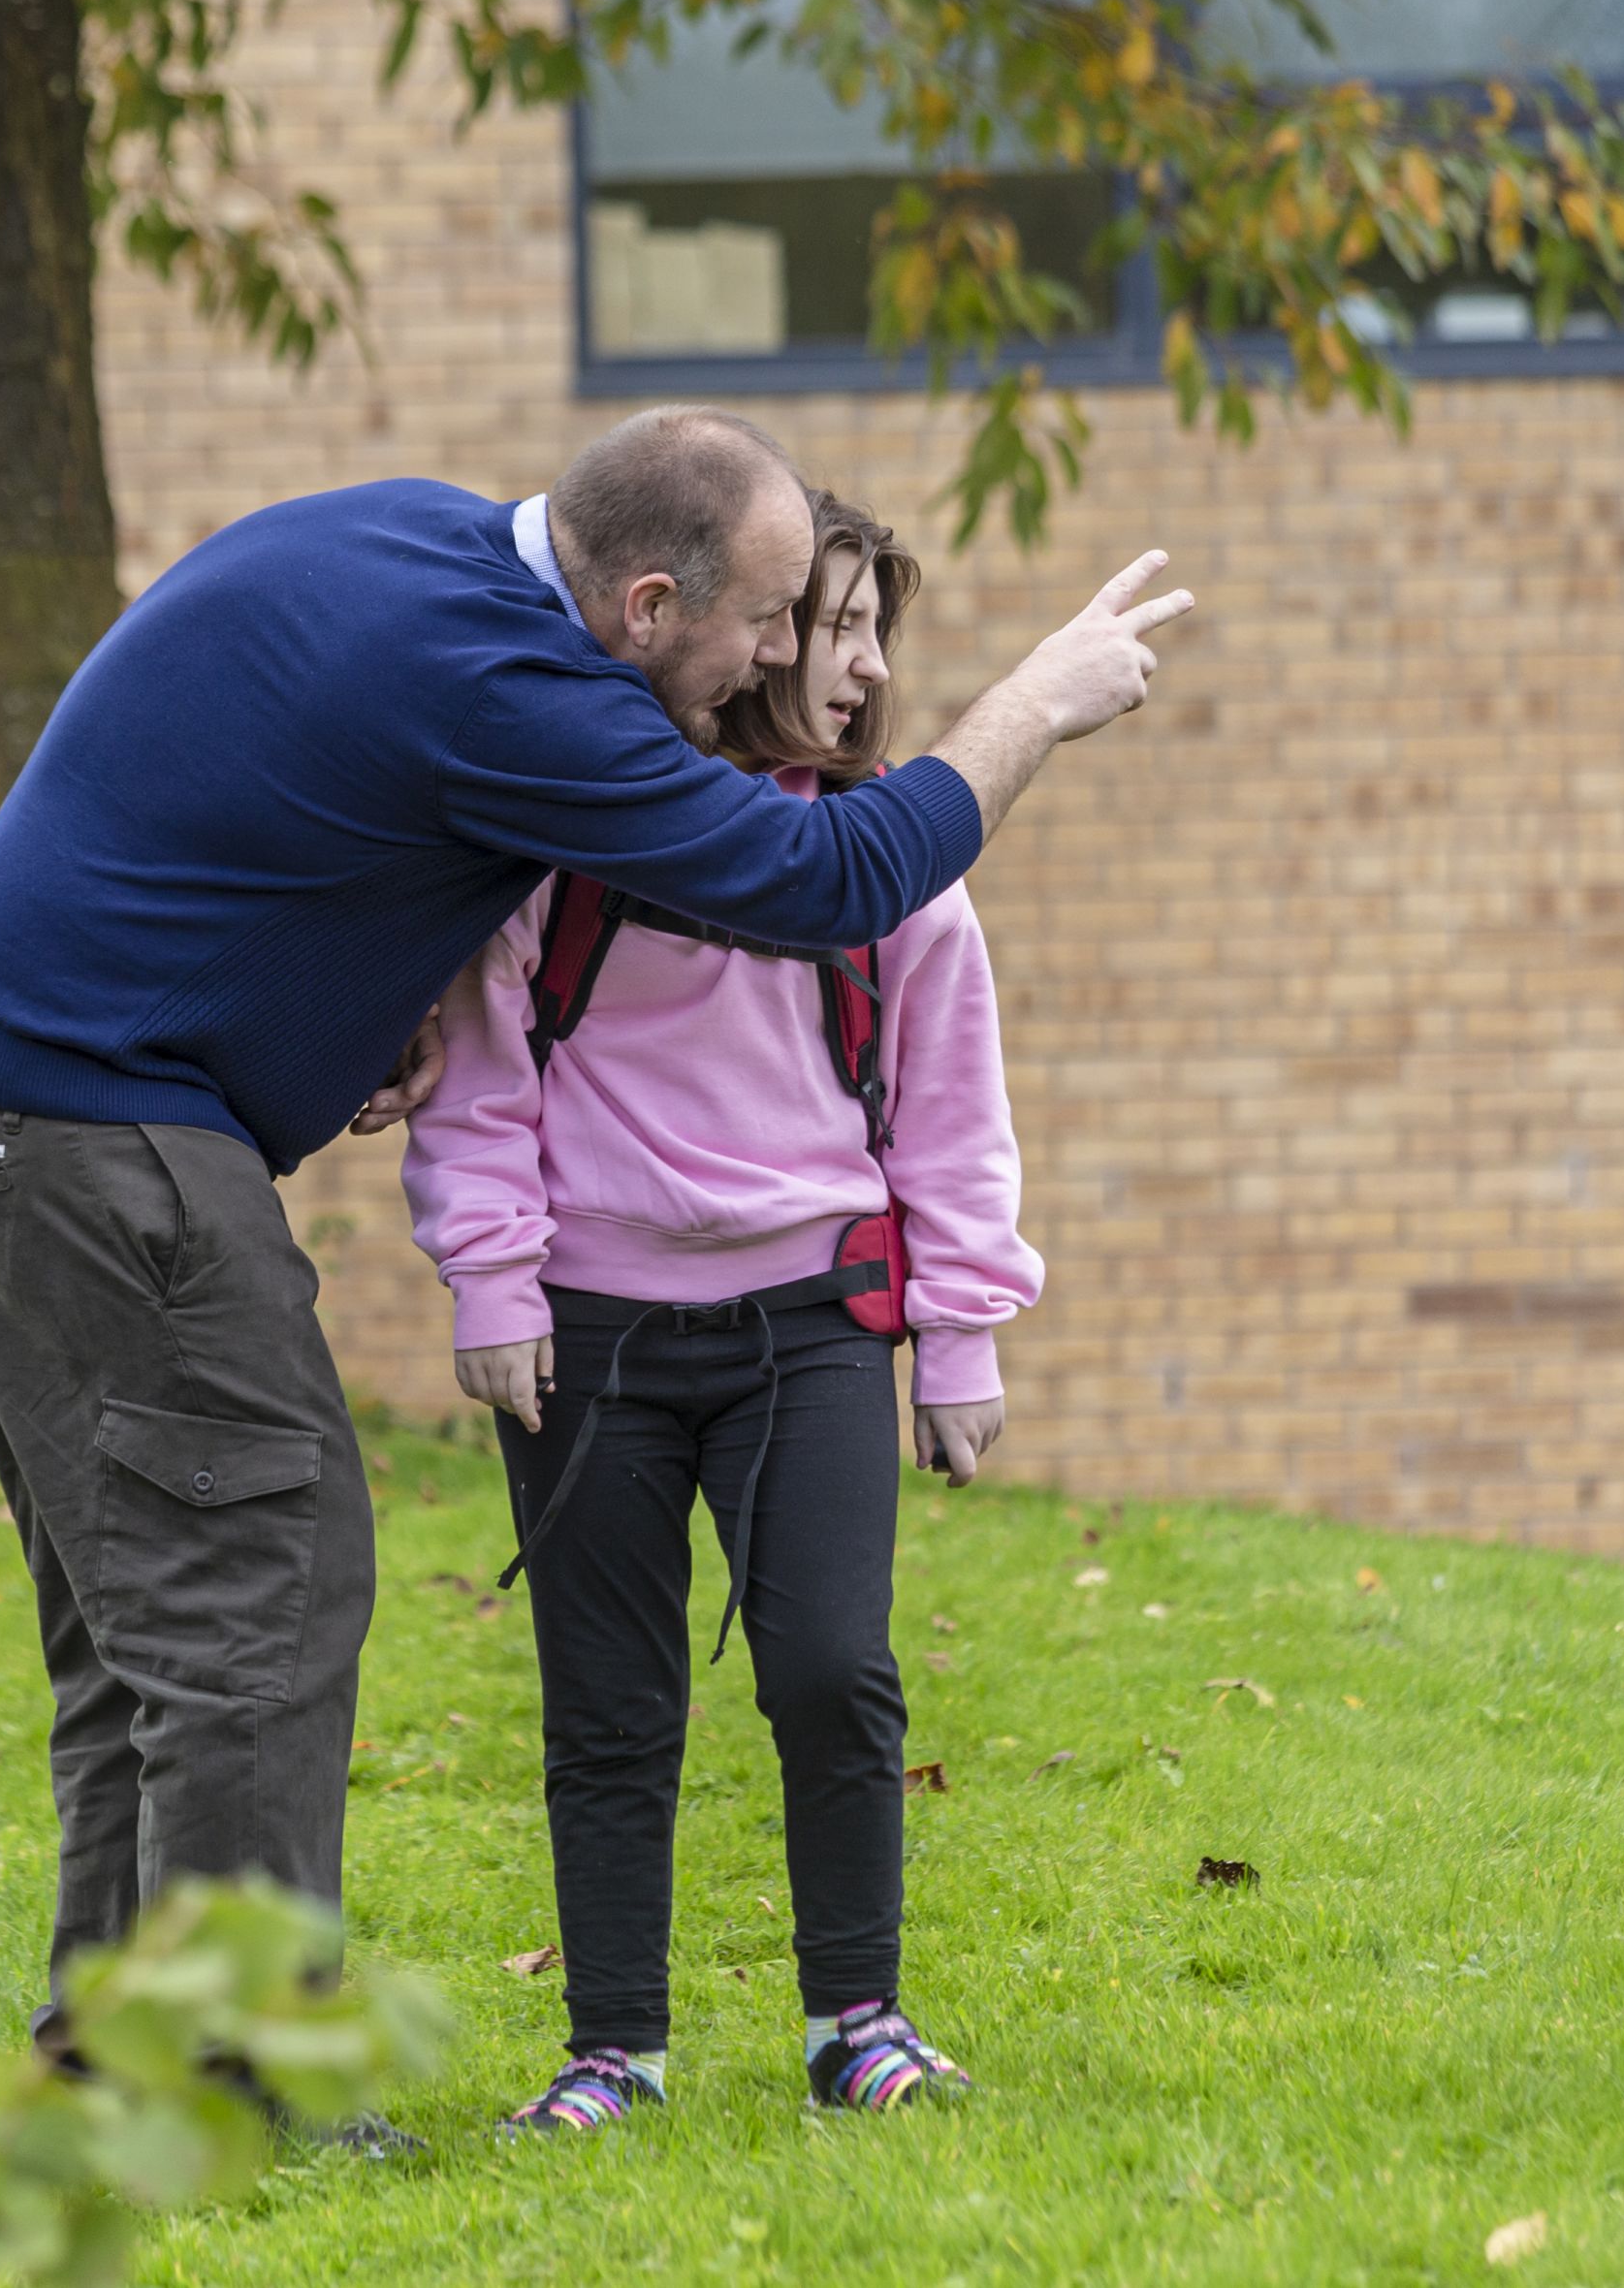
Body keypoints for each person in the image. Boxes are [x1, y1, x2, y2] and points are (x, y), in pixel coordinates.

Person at [0, 408, 1191, 2107]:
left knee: (148, 1610)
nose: (789, 655)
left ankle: (115, 2063)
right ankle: (218, 2087)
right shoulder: (521, 694)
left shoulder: (425, 548)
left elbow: (309, 808)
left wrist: (363, 991)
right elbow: (826, 876)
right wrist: (1032, 709)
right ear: (646, 604)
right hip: (81, 1122)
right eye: (770, 619)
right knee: (254, 1568)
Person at [402, 491, 1032, 2131]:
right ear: (742, 640)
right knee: (609, 1708)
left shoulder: (902, 871)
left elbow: (949, 1121)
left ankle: (858, 2028)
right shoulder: (568, 849)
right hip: (590, 1337)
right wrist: (491, 1277)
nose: (861, 662)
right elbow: (481, 1084)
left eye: (873, 630)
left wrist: (958, 1336)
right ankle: (614, 2051)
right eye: (830, 625)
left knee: (833, 1671)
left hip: (815, 1329)